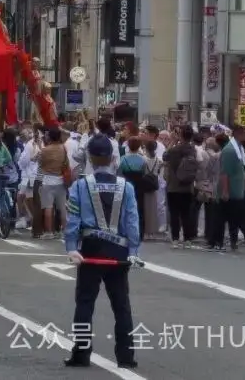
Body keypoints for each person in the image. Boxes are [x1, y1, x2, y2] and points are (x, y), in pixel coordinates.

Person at [63, 134, 141, 369]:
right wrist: (133, 250)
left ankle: (81, 353)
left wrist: (71, 247)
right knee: (121, 304)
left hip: (90, 249)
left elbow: (73, 220)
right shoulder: (126, 187)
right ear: (113, 158)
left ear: (89, 158)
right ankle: (126, 356)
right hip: (119, 250)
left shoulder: (80, 186)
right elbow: (132, 221)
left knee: (85, 302)